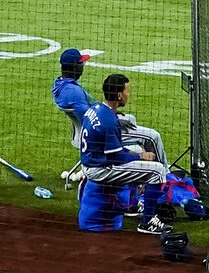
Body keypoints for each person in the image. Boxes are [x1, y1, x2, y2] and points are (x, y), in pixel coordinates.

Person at [72, 73, 174, 235]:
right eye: (127, 91)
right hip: (101, 169)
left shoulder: (97, 108)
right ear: (119, 95)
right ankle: (147, 222)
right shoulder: (109, 122)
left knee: (140, 155)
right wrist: (140, 156)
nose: (128, 94)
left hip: (93, 161)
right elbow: (116, 157)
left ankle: (133, 204)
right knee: (157, 171)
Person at [51, 46, 93, 132]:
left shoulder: (59, 83)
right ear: (75, 67)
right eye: (81, 63)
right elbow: (90, 119)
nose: (83, 66)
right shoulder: (73, 92)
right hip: (93, 134)